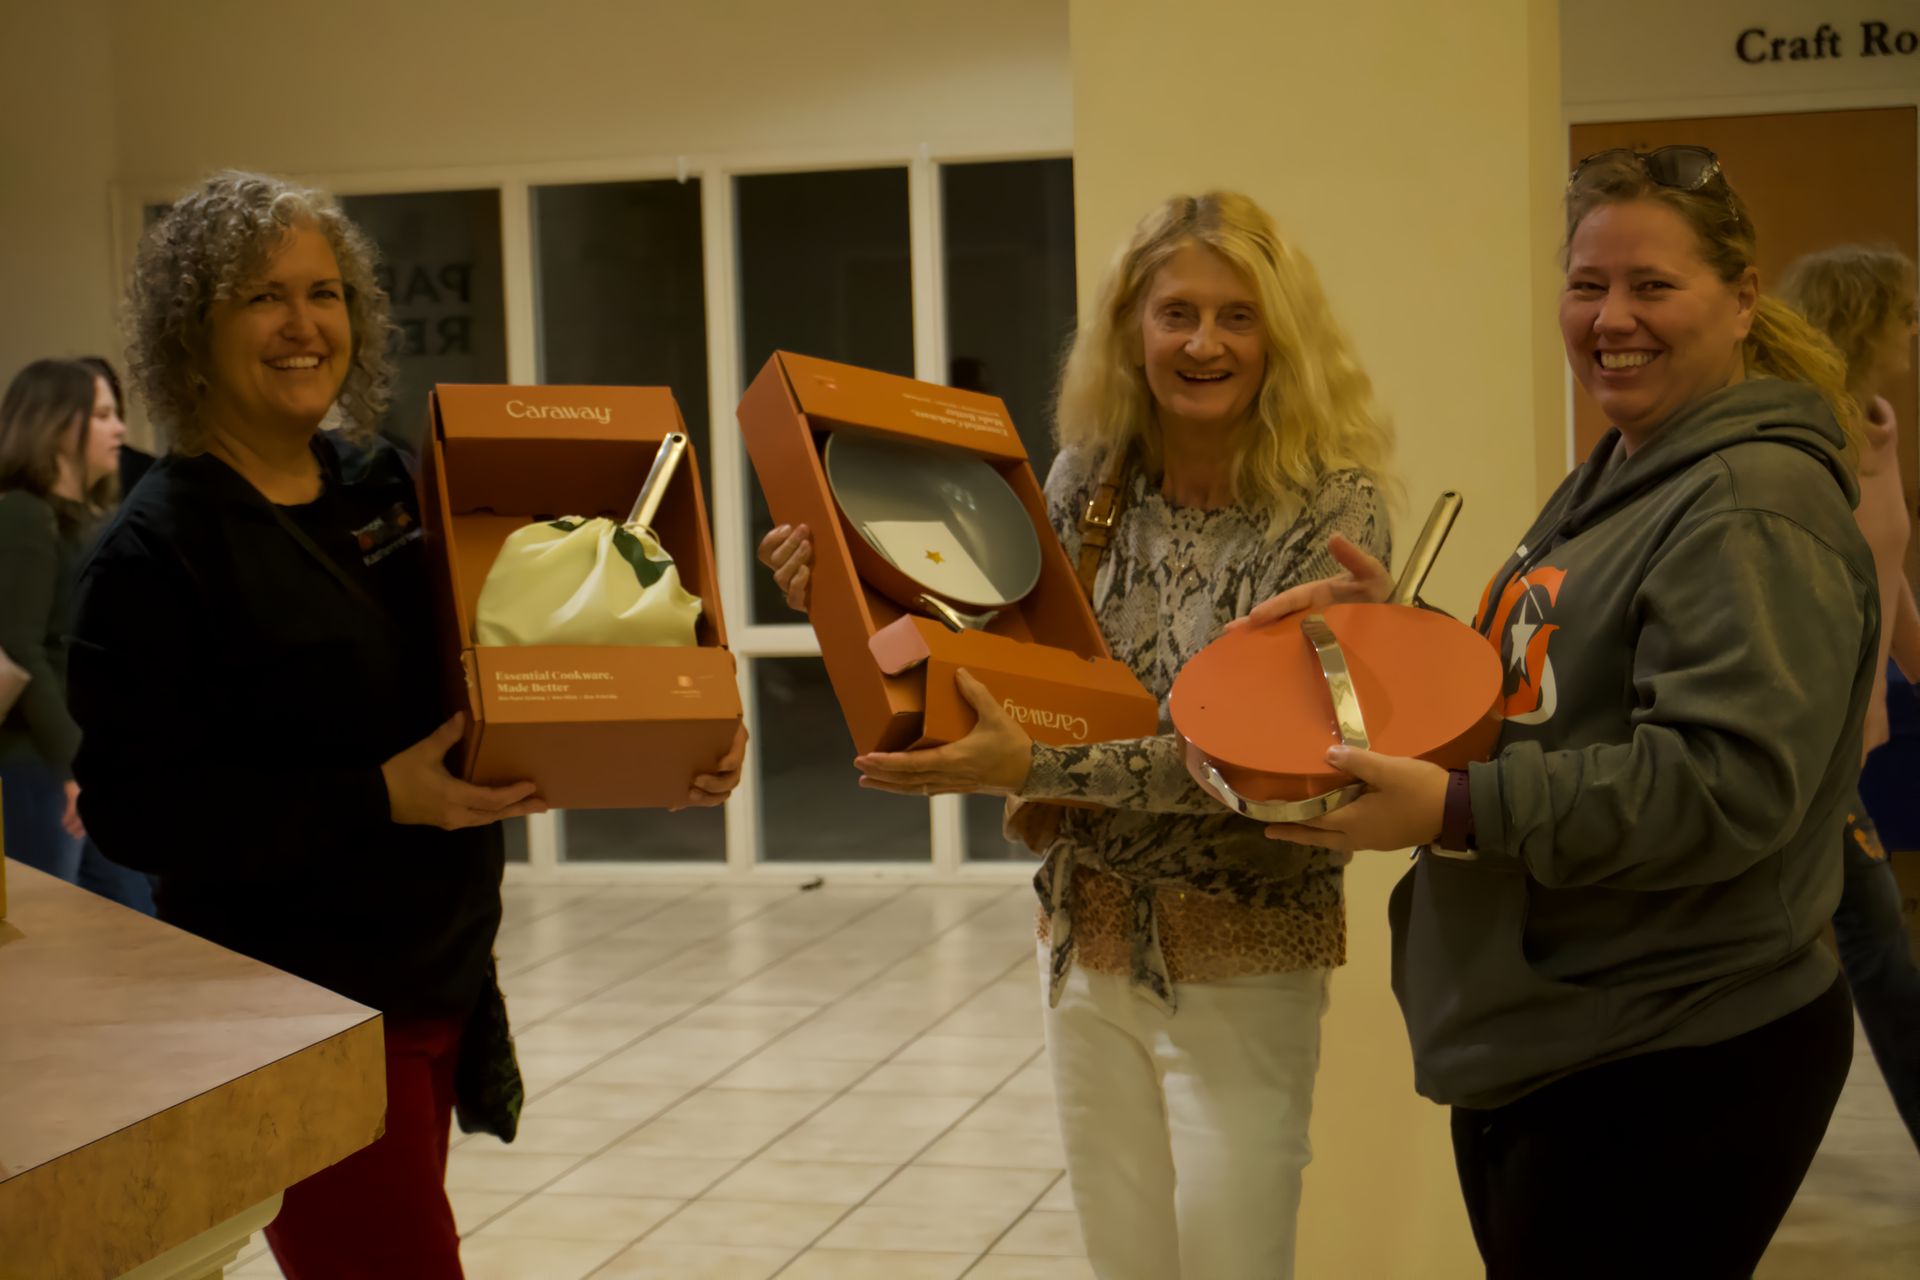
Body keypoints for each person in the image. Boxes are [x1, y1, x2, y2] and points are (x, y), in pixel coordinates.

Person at [70, 170, 747, 1279]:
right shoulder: (154, 553)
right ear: (191, 330)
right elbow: (138, 810)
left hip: (439, 971)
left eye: (325, 291)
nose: (304, 325)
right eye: (262, 297)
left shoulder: (382, 479)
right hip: (296, 1008)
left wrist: (667, 729)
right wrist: (375, 795)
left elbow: (506, 657)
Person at [1247, 146, 1875, 1276]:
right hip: (1572, 1034)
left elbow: (1721, 785)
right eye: (1587, 285)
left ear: (1741, 300)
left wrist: (1454, 806)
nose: (1611, 318)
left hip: (1673, 1048)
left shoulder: (1748, 504)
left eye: (1652, 285)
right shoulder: (1629, 467)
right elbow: (1554, 693)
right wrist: (1408, 633)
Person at [760, 191, 1393, 1279]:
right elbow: (998, 661)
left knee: (1235, 1262)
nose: (1203, 342)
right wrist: (840, 590)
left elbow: (1252, 757)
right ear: (1130, 331)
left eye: (1237, 315)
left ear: (1279, 336)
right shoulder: (1084, 486)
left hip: (1243, 958)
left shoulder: (1329, 510)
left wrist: (1037, 764)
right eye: (1176, 311)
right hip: (1082, 947)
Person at [1780, 244, 1920, 1152]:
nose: (1915, 331)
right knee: (1876, 952)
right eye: (1905, 314)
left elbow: (1889, 567)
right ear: (1866, 319)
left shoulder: (1877, 423)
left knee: (1854, 950)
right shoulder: (1795, 438)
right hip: (1797, 746)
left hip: (1854, 741)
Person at [0, 358, 124, 882]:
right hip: (42, 764)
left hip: (81, 762)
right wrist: (76, 766)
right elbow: (22, 649)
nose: (119, 428)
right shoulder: (25, 513)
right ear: (56, 425)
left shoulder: (88, 521)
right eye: (101, 414)